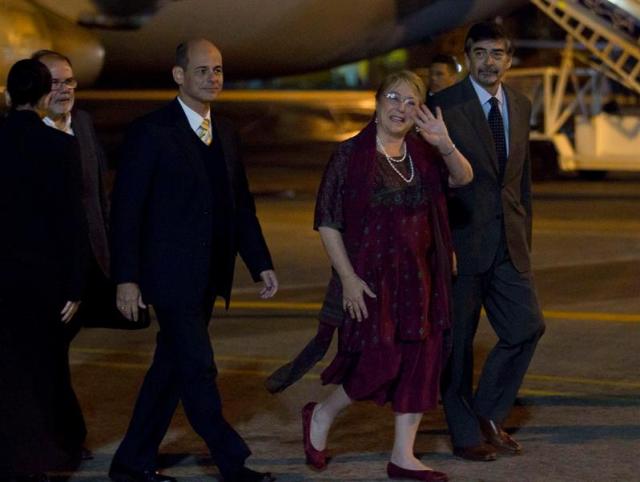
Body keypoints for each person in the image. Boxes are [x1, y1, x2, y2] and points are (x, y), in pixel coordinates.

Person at [270, 70, 472, 482]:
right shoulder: (349, 156)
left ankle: (403, 455)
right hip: (371, 278)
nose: (400, 108)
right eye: (393, 98)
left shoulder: (425, 154)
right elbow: (328, 222)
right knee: (378, 362)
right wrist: (347, 278)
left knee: (421, 360)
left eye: (410, 101)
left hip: (421, 278)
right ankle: (322, 413)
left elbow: (464, 177)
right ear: (377, 102)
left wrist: (444, 143)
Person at [109, 39, 278, 482]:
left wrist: (260, 262)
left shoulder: (224, 132)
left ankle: (130, 462)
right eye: (202, 70)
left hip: (208, 276)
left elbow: (240, 205)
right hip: (167, 276)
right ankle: (231, 460)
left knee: (171, 369)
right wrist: (126, 278)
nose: (213, 78)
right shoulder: (152, 131)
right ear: (179, 76)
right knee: (199, 367)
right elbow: (126, 211)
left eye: (218, 70)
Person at [428, 22, 546, 462]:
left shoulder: (520, 103)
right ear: (467, 56)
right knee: (457, 347)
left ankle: (487, 412)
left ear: (509, 59)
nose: (489, 62)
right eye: (480, 53)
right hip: (461, 246)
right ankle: (465, 435)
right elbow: (433, 185)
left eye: (497, 53)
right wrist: (441, 246)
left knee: (526, 326)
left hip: (508, 244)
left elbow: (522, 182)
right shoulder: (443, 104)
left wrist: (524, 242)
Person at [0, 59, 89, 481]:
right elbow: (72, 220)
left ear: (7, 94)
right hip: (43, 279)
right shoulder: (59, 147)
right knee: (41, 369)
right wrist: (74, 283)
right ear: (41, 97)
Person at [31, 48, 112, 461]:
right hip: (47, 271)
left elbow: (98, 196)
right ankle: (59, 438)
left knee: (53, 355)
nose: (63, 90)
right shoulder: (23, 133)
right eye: (52, 83)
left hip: (87, 264)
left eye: (68, 81)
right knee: (45, 356)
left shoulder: (82, 123)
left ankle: (62, 436)